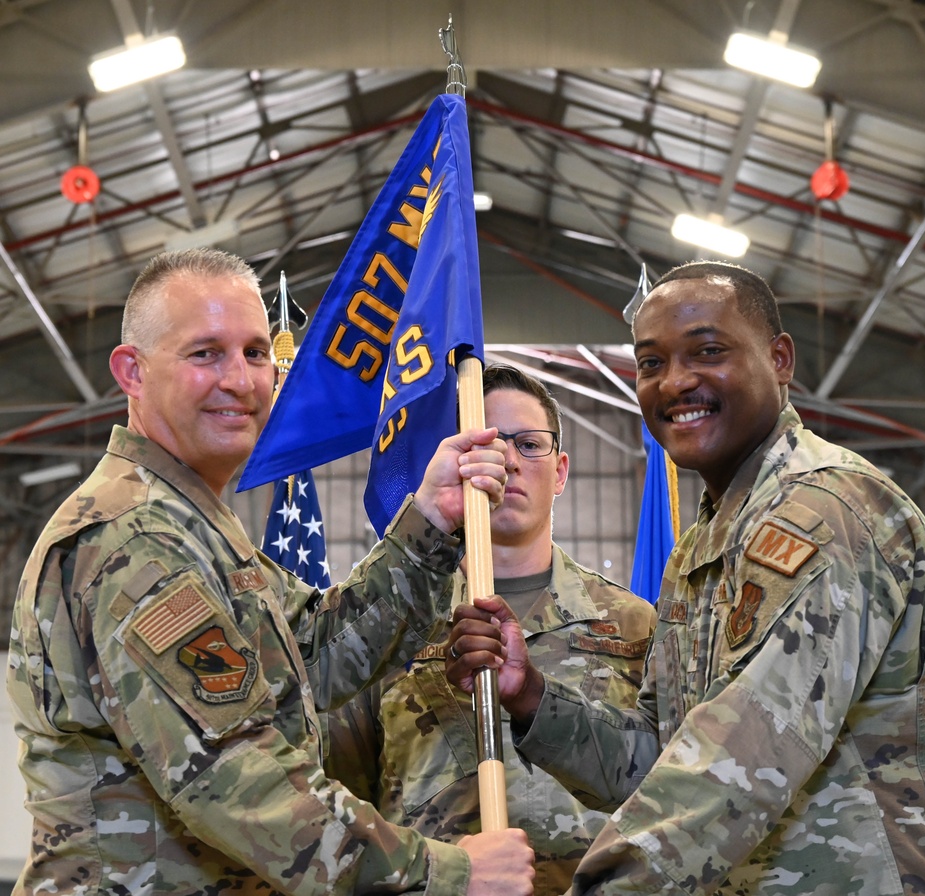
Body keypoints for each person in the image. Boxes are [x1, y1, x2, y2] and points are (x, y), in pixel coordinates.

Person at [446, 261, 925, 895]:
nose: (676, 382)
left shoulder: (827, 511)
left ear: (780, 358)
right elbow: (655, 763)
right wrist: (534, 698)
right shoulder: (698, 552)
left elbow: (742, 757)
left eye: (708, 351)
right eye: (651, 364)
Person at [5, 248, 535, 896]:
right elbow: (236, 777)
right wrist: (449, 874)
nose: (240, 380)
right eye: (206, 354)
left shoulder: (192, 527)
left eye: (257, 353)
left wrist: (431, 516)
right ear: (132, 372)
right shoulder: (133, 537)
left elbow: (318, 653)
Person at [325, 364, 657, 896]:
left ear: (563, 471)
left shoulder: (633, 623)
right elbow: (339, 795)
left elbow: (664, 785)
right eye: (488, 443)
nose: (507, 460)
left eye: (530, 444)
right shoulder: (390, 622)